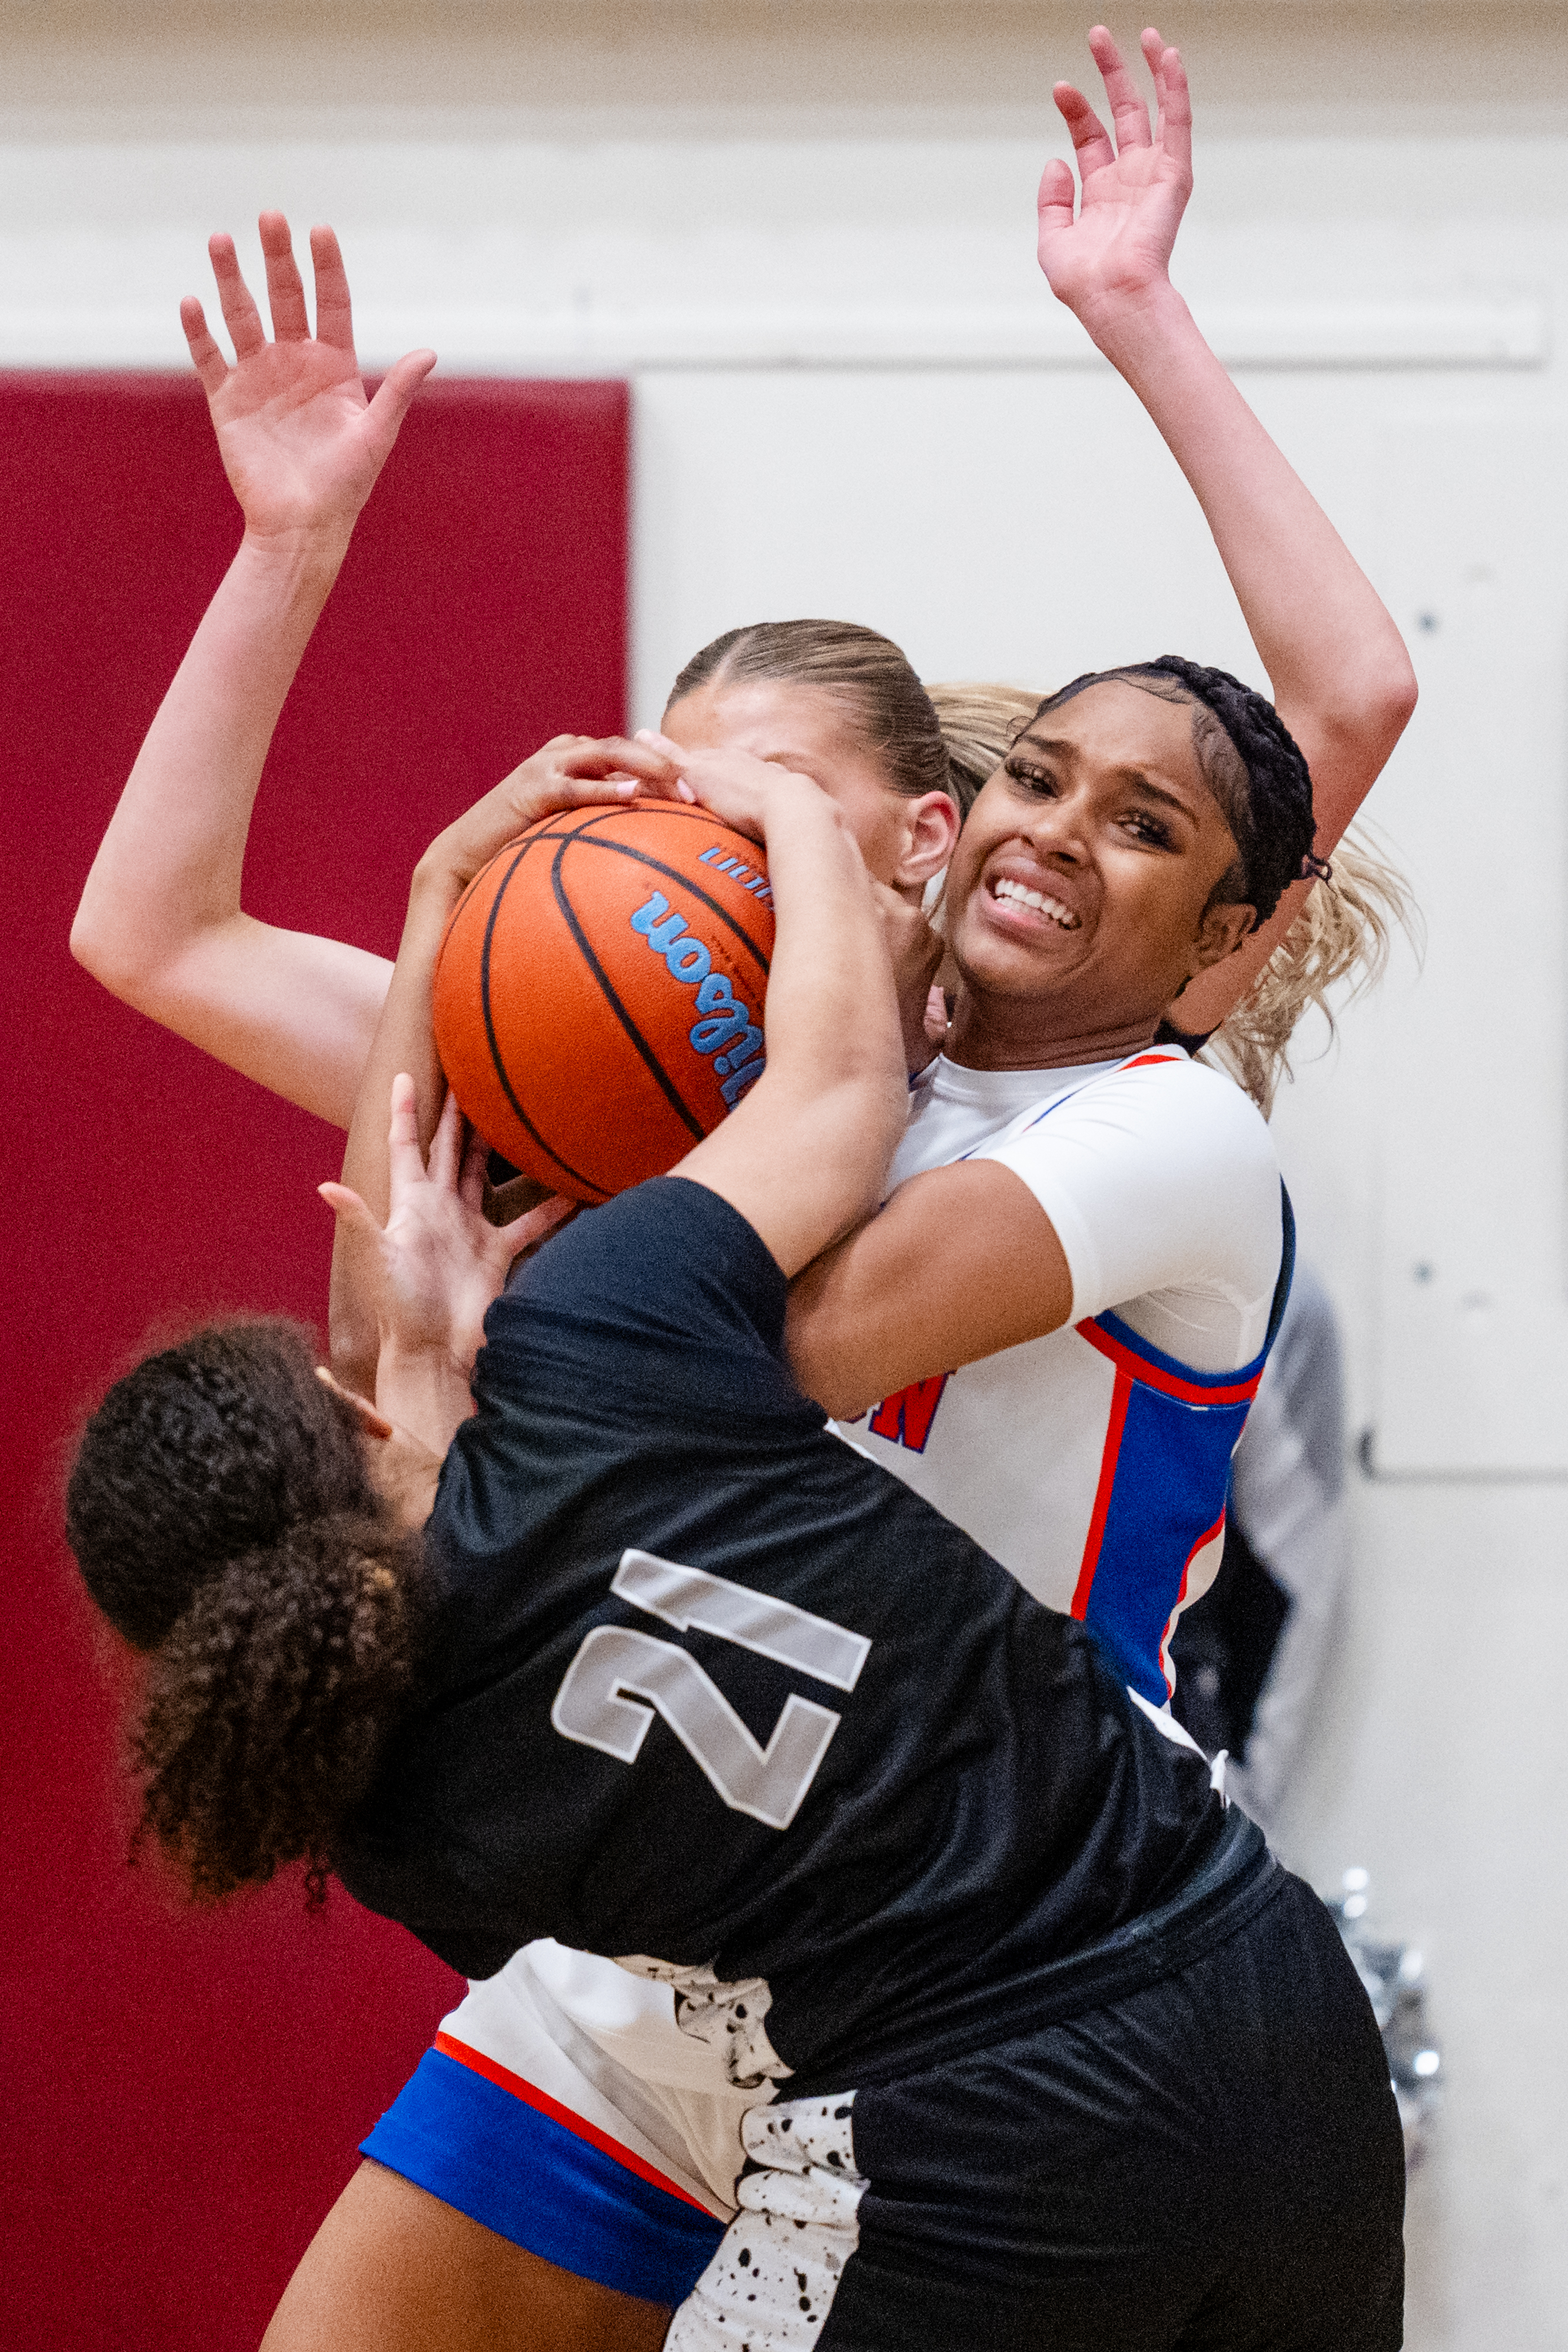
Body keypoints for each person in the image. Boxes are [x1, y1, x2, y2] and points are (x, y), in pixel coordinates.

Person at [66, 25, 1417, 2336]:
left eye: (744, 812)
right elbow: (151, 933)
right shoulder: (636, 1132)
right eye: (657, 817)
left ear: (903, 833)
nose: (678, 863)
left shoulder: (1112, 1105)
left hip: (989, 1907)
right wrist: (290, 544)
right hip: (663, 1933)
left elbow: (1342, 710)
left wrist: (1136, 318)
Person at [67, 734, 1406, 2352]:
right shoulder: (600, 1344)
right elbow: (833, 1091)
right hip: (1229, 1959)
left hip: (960, 2073)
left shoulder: (394, 1823)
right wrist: (795, 833)